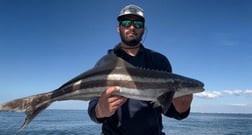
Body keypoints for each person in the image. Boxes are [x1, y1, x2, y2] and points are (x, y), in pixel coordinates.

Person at [88, 4, 193, 135]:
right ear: (118, 28)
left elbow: (169, 110)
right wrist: (99, 110)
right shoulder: (106, 62)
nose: (132, 27)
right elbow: (93, 108)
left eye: (138, 24)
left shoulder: (159, 61)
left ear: (143, 29)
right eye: (126, 23)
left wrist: (182, 108)